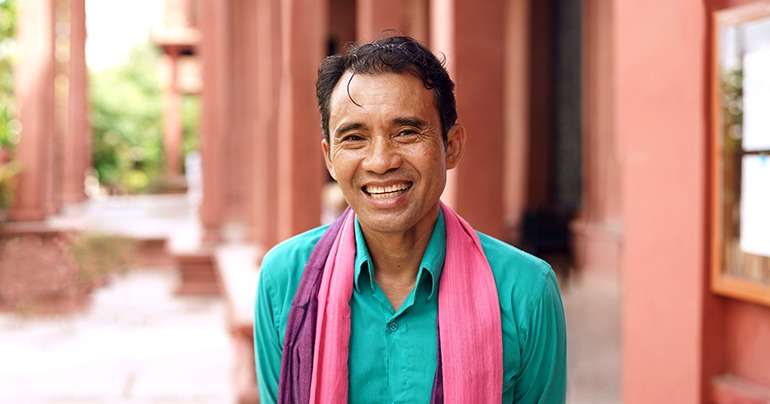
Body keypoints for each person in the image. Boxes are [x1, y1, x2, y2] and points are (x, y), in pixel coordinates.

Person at [254, 35, 567, 403]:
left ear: (452, 146)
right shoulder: (284, 280)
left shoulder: (525, 291)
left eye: (406, 132)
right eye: (354, 137)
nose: (380, 161)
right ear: (329, 158)